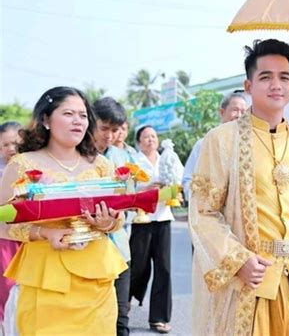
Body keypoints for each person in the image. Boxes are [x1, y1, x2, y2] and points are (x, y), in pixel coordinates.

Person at [188, 39, 289, 335]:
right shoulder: (222, 140)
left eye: (284, 77)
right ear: (249, 85)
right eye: (266, 77)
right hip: (249, 279)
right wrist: (238, 260)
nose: (276, 84)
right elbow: (203, 211)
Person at [0, 86, 128, 335]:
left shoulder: (102, 165)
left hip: (97, 280)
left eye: (83, 115)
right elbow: (2, 222)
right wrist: (43, 232)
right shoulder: (23, 164)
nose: (78, 121)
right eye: (68, 113)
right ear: (46, 119)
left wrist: (107, 224)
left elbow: (118, 217)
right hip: (46, 279)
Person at [129, 126, 183, 334]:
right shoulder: (133, 161)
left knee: (164, 269)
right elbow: (128, 188)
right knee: (138, 268)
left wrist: (175, 189)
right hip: (141, 221)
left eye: (153, 136)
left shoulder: (168, 158)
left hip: (163, 218)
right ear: (139, 141)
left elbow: (180, 180)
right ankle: (124, 304)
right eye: (146, 137)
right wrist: (148, 188)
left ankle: (159, 318)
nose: (150, 140)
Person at [93, 97, 135, 336]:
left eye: (115, 130)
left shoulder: (121, 158)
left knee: (121, 317)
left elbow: (129, 195)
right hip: (88, 249)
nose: (109, 135)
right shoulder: (78, 156)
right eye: (104, 128)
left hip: (118, 247)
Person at [182, 93, 248, 201]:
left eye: (244, 112)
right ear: (222, 112)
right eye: (235, 110)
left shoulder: (249, 145)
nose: (239, 115)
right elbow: (188, 180)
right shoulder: (204, 144)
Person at [0, 121, 21, 332]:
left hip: (29, 237)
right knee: (7, 287)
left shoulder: (33, 167)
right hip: (4, 237)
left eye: (15, 143)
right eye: (6, 144)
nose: (11, 149)